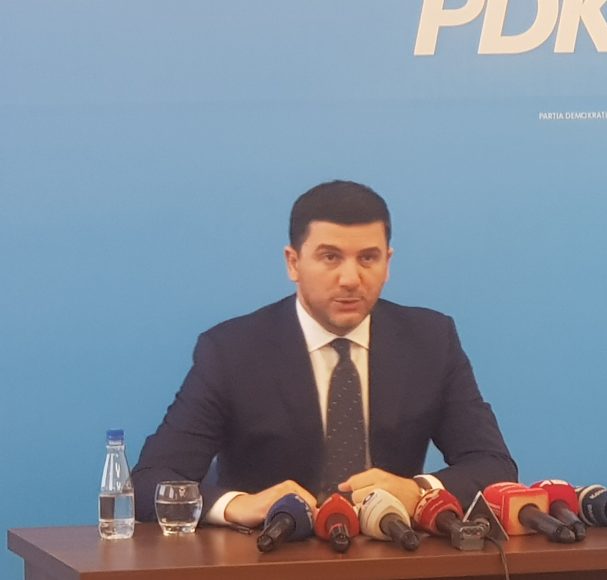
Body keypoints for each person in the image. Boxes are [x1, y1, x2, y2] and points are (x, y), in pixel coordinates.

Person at [131, 180, 517, 528]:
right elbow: (150, 481)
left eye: (368, 258)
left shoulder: (430, 341)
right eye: (330, 257)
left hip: (392, 551)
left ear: (388, 263)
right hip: (268, 555)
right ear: (293, 263)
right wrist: (237, 505)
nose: (350, 279)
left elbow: (494, 466)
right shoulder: (232, 351)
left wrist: (419, 491)